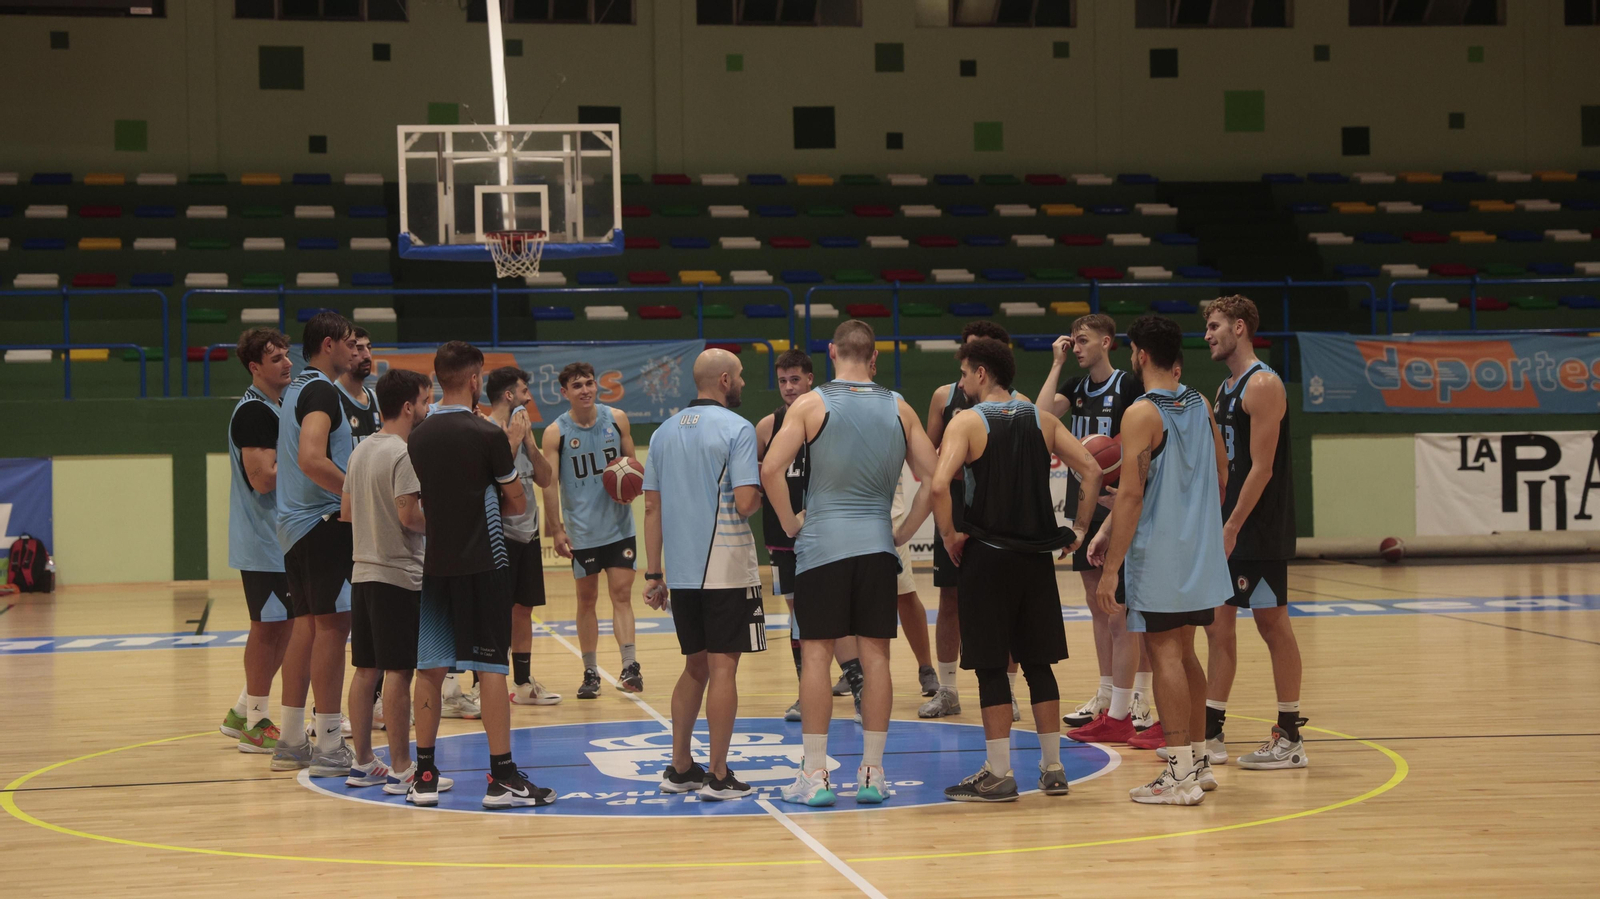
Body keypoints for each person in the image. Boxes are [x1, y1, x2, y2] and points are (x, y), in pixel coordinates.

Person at [915, 337, 1101, 801]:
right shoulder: (1043, 419)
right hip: (1036, 560)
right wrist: (1078, 528)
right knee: (1039, 664)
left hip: (989, 556)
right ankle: (1054, 767)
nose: (961, 383)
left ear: (982, 374)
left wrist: (949, 536)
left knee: (992, 668)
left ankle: (999, 773)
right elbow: (1093, 470)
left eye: (964, 374)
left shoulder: (967, 422)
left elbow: (940, 485)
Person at [762, 320, 938, 808]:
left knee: (817, 654)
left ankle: (816, 776)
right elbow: (937, 478)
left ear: (833, 353)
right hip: (878, 547)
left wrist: (791, 524)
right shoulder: (900, 407)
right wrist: (902, 532)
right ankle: (873, 775)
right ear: (875, 358)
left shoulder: (810, 404)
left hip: (821, 548)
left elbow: (771, 469)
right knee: (877, 657)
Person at [1090, 316, 1231, 806]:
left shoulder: (1140, 414)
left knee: (1164, 652)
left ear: (1140, 355)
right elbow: (1221, 471)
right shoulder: (1201, 403)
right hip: (1201, 552)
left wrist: (1111, 568)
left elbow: (1130, 496)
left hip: (1162, 554)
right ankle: (1197, 760)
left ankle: (1177, 776)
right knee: (1186, 651)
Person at [407, 341, 554, 808]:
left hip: (436, 564)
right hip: (485, 561)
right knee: (491, 667)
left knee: (430, 668)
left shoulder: (419, 435)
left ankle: (425, 774)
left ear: (436, 380)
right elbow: (516, 501)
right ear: (474, 380)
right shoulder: (488, 436)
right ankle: (502, 777)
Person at [643, 349, 766, 800]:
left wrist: (653, 574)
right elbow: (748, 501)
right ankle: (717, 775)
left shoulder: (660, 433)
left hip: (682, 574)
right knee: (723, 668)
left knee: (694, 667)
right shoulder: (738, 428)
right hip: (728, 567)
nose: (744, 384)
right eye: (740, 377)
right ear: (724, 379)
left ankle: (680, 769)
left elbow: (651, 507)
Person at [1035, 315, 1157, 745]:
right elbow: (1039, 417)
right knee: (1096, 604)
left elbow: (1144, 447)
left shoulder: (1128, 386)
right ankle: (1106, 694)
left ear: (1107, 341)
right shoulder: (1076, 388)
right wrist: (1056, 364)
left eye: (1083, 340)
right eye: (1074, 341)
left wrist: (1127, 489)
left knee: (1126, 606)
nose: (1077, 346)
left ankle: (1139, 696)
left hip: (1120, 504)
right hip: (1084, 503)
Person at [1200, 295, 1307, 770]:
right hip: (1231, 523)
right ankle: (1211, 733)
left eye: (1215, 325)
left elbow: (1261, 470)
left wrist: (1232, 526)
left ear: (1240, 328)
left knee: (1271, 624)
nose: (1208, 335)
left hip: (1257, 527)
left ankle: (1289, 737)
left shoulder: (1262, 384)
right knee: (1219, 624)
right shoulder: (1226, 388)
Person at [920, 321, 1028, 721]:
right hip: (955, 509)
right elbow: (928, 453)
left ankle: (1010, 692)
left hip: (999, 515)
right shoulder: (945, 397)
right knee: (950, 600)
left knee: (1008, 607)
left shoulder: (1021, 403)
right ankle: (947, 689)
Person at [755, 350, 870, 723]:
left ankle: (859, 687)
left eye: (795, 380)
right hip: (782, 535)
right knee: (797, 615)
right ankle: (809, 693)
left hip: (825, 532)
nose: (789, 387)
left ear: (809, 379)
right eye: (783, 380)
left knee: (830, 615)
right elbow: (756, 480)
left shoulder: (827, 415)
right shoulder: (766, 427)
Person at [270, 312, 358, 776]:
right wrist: (353, 491)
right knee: (333, 627)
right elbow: (310, 457)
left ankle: (289, 740)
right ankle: (327, 744)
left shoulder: (296, 391)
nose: (355, 350)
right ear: (329, 344)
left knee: (306, 625)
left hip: (295, 527)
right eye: (349, 342)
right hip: (322, 522)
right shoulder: (322, 390)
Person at [340, 369, 436, 792]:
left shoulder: (361, 451)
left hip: (363, 571)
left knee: (366, 670)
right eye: (426, 400)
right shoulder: (402, 453)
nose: (429, 408)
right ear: (408, 406)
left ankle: (362, 761)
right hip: (397, 575)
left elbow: (346, 512)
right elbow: (409, 516)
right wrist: (445, 523)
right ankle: (401, 768)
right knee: (399, 671)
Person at [542, 362, 642, 699]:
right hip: (582, 532)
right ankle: (590, 672)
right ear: (564, 392)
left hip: (619, 526)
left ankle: (630, 667)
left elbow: (634, 469)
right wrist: (556, 530)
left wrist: (633, 487)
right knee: (587, 600)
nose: (585, 390)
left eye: (589, 383)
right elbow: (550, 485)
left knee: (622, 595)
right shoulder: (556, 432)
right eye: (576, 386)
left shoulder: (617, 419)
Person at [220, 328, 296, 755]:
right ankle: (255, 722)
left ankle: (242, 710)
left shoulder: (279, 406)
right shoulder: (253, 412)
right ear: (255, 367)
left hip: (279, 539)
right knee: (267, 630)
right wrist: (309, 466)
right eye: (275, 358)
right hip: (263, 541)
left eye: (287, 355)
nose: (286, 363)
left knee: (283, 628)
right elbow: (263, 478)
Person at [483, 366, 561, 706]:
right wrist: (513, 442)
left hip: (527, 535)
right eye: (524, 390)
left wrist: (529, 443)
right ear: (509, 395)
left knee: (523, 610)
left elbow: (545, 479)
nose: (529, 397)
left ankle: (523, 683)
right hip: (496, 537)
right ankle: (483, 684)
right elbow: (490, 483)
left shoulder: (526, 431)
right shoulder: (484, 430)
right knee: (493, 613)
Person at [337, 327, 381, 447]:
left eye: (369, 348)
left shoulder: (373, 397)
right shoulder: (332, 396)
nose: (367, 355)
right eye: (359, 348)